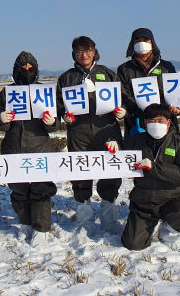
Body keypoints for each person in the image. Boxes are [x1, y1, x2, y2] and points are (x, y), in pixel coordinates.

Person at [55, 36, 124, 234]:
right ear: (73, 55)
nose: (84, 55)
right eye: (79, 52)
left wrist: (122, 110)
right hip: (79, 133)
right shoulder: (67, 78)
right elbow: (59, 105)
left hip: (107, 130)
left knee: (110, 172)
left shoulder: (107, 74)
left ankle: (109, 218)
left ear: (94, 52)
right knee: (80, 172)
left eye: (88, 51)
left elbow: (122, 98)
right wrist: (65, 116)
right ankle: (84, 218)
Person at [0, 51, 59, 246]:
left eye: (30, 67)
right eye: (22, 68)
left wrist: (51, 122)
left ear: (36, 70)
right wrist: (2, 119)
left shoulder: (44, 92)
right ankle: (25, 222)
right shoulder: (7, 92)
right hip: (13, 146)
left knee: (41, 188)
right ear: (16, 70)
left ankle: (41, 227)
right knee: (19, 189)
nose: (26, 70)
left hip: (39, 146)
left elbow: (55, 125)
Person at [121, 103, 180, 251]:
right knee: (133, 244)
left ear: (168, 123)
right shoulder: (136, 141)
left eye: (160, 121)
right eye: (151, 121)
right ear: (144, 123)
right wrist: (113, 145)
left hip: (171, 198)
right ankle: (144, 224)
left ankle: (168, 230)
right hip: (143, 202)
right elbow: (118, 154)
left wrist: (154, 168)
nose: (156, 124)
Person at [117, 28, 180, 146]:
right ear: (132, 44)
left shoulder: (166, 67)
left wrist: (178, 109)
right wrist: (141, 109)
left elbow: (176, 93)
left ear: (152, 42)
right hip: (137, 123)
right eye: (137, 40)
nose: (141, 43)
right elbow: (124, 94)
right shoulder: (124, 69)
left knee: (167, 158)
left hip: (165, 122)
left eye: (145, 40)